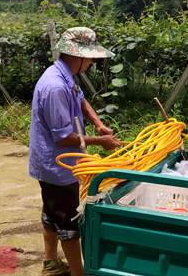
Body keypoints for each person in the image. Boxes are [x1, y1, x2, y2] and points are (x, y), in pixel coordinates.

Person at [28, 27, 121, 276]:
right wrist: (100, 141)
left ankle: (50, 263)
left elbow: (80, 99)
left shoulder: (66, 75)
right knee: (68, 222)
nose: (92, 62)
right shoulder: (55, 86)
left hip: (58, 163)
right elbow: (64, 137)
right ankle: (79, 274)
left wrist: (98, 124)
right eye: (90, 57)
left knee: (51, 212)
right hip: (57, 165)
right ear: (77, 56)